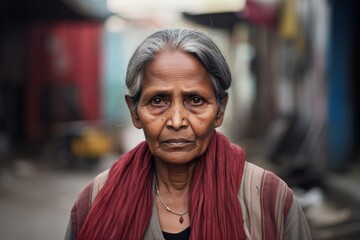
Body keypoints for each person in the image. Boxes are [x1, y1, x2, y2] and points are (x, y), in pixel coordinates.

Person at [65, 28, 311, 240]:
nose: (176, 121)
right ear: (135, 112)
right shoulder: (95, 200)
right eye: (158, 100)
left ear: (220, 110)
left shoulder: (270, 201)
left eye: (195, 100)